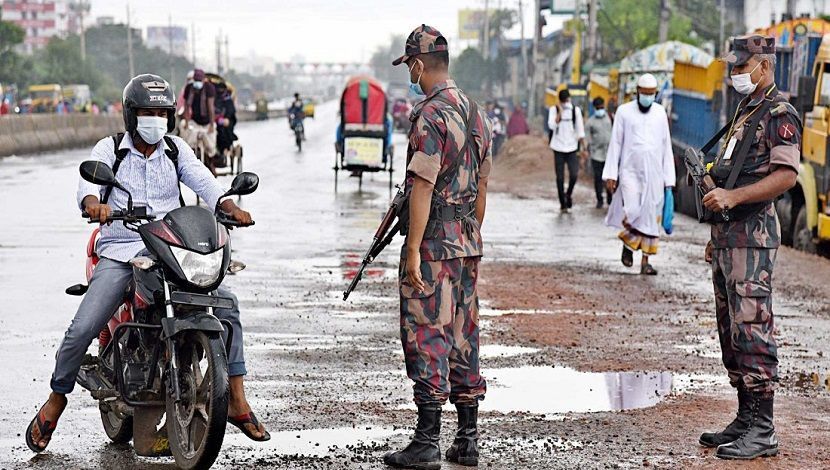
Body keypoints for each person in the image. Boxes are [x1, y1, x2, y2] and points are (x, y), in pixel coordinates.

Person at [25, 74, 269, 454]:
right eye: (146, 112)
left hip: (170, 251)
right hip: (122, 250)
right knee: (82, 328)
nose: (154, 119)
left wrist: (228, 204)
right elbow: (87, 183)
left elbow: (204, 181)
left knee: (228, 306)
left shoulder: (176, 150)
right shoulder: (111, 150)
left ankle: (236, 399)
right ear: (130, 115)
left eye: (160, 112)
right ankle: (56, 400)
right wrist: (94, 203)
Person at [386, 24, 492, 469]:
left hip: (434, 243)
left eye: (409, 65)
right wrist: (469, 234)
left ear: (416, 64)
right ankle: (466, 438)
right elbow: (483, 185)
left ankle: (427, 440)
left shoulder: (430, 115)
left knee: (427, 333)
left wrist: (412, 249)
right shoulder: (476, 112)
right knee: (463, 334)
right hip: (467, 241)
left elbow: (423, 185)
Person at [697, 36, 799, 460]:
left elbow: (786, 175)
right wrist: (716, 232)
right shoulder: (745, 110)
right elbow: (733, 174)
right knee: (731, 329)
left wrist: (734, 200)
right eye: (733, 67)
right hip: (730, 237)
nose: (736, 74)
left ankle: (764, 427)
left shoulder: (780, 113)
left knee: (753, 325)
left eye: (743, 67)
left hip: (753, 237)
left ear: (765, 66)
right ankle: (745, 416)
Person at [602, 73, 675, 275]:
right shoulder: (624, 112)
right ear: (637, 93)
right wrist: (611, 174)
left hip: (655, 174)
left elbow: (665, 145)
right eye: (644, 93)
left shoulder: (660, 113)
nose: (647, 97)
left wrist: (669, 179)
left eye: (651, 94)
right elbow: (615, 143)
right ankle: (628, 244)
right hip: (630, 172)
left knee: (651, 217)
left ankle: (645, 261)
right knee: (633, 211)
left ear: (656, 94)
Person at [548, 88, 586, 212]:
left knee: (574, 174)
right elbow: (552, 125)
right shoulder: (553, 110)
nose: (565, 103)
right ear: (560, 101)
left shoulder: (576, 111)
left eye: (566, 100)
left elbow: (580, 130)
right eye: (563, 101)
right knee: (559, 177)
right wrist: (559, 112)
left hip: (571, 147)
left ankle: (568, 194)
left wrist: (584, 148)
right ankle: (562, 203)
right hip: (558, 147)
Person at [181, 68, 217, 159]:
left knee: (210, 147)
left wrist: (212, 125)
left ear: (203, 79)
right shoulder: (189, 88)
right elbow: (186, 106)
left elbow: (211, 107)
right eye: (196, 80)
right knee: (186, 137)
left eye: (199, 80)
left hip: (207, 122)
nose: (197, 82)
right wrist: (186, 121)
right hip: (194, 121)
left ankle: (210, 158)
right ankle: (186, 156)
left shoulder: (209, 88)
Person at [586, 97, 613, 208]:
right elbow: (587, 137)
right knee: (598, 177)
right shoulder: (590, 122)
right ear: (595, 108)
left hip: (609, 154)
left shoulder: (610, 118)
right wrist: (590, 147)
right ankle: (599, 199)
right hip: (596, 154)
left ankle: (610, 198)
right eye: (598, 108)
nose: (600, 109)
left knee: (609, 177)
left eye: (602, 107)